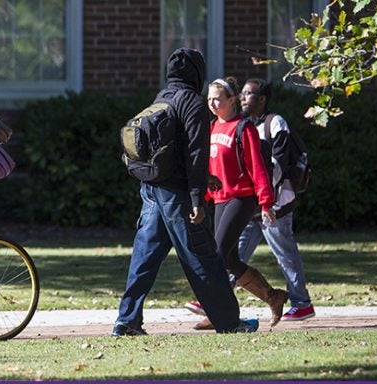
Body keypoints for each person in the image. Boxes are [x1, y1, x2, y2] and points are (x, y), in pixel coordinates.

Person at [112, 48, 259, 337]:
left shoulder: (162, 98)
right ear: (197, 73)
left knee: (144, 257)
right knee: (203, 257)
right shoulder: (192, 102)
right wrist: (197, 198)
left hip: (152, 191)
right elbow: (195, 153)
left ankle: (127, 320)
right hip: (179, 196)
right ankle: (229, 322)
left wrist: (206, 179)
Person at [185, 77, 288, 330]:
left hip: (242, 198)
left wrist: (266, 203)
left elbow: (257, 167)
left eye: (217, 98)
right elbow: (212, 170)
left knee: (217, 255)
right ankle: (273, 296)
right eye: (209, 98)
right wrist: (202, 200)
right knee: (229, 260)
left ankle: (218, 313)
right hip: (221, 198)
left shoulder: (243, 127)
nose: (211, 103)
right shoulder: (212, 128)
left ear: (232, 100)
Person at [237, 78, 315, 321]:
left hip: (274, 204)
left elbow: (278, 166)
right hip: (253, 203)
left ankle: (302, 304)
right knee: (235, 252)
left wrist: (265, 199)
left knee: (284, 252)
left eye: (248, 94)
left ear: (262, 99)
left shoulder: (275, 123)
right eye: (242, 93)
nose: (242, 98)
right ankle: (213, 298)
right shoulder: (244, 124)